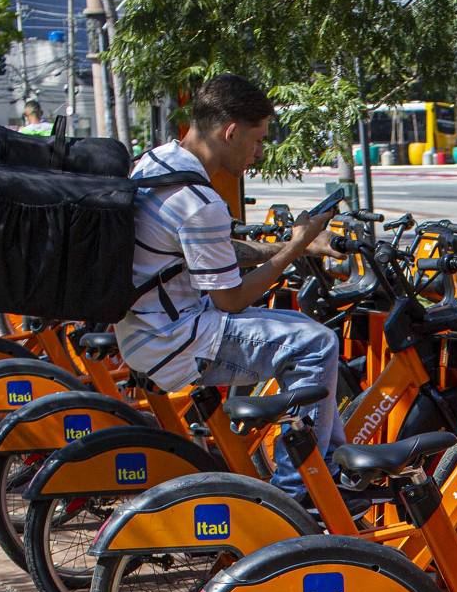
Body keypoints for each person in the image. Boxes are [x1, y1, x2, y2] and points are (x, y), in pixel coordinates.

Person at [116, 73, 338, 498]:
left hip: (146, 328)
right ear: (230, 131)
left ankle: (326, 478)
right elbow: (232, 299)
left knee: (303, 344)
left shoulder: (158, 164)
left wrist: (288, 246)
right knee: (318, 344)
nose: (258, 153)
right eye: (257, 140)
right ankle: (298, 496)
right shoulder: (201, 203)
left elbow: (209, 251)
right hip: (177, 340)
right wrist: (296, 245)